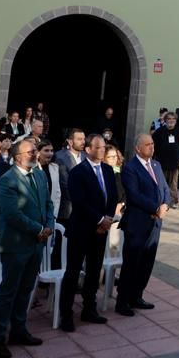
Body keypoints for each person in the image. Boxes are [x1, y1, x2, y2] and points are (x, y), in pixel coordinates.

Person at [0, 139, 50, 357]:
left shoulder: (39, 175)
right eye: (30, 151)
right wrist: (38, 228)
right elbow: (12, 214)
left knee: (26, 289)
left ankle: (19, 329)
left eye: (35, 150)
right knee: (9, 291)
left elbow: (48, 204)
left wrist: (49, 225)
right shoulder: (7, 181)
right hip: (16, 244)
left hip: (36, 243)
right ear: (17, 157)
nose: (35, 154)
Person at [61, 135, 118, 331]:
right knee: (73, 272)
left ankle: (89, 308)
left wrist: (108, 218)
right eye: (99, 147)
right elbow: (79, 201)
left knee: (94, 270)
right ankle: (66, 314)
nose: (102, 150)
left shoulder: (108, 170)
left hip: (100, 231)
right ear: (88, 149)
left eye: (104, 147)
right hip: (81, 229)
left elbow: (113, 197)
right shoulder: (78, 172)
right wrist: (100, 219)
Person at [116, 133, 168, 315]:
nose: (152, 147)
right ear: (138, 148)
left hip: (154, 224)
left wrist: (165, 204)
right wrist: (155, 208)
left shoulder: (156, 165)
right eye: (148, 145)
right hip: (138, 223)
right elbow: (134, 195)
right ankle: (123, 301)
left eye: (153, 144)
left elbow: (165, 189)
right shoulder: (130, 168)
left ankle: (137, 296)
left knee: (147, 262)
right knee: (132, 263)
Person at [152, 111, 179, 197]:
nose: (171, 120)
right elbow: (152, 144)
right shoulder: (159, 131)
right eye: (169, 118)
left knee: (173, 183)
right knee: (161, 182)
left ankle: (173, 201)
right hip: (161, 161)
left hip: (175, 161)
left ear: (176, 120)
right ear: (165, 120)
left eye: (173, 118)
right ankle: (162, 199)